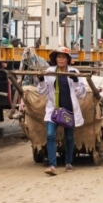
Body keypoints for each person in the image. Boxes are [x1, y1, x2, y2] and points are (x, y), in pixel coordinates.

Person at [36, 47, 86, 176]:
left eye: (63, 57)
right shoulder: (49, 72)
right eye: (59, 57)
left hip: (69, 111)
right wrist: (41, 80)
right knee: (50, 135)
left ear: (68, 59)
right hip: (53, 110)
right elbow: (43, 91)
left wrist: (75, 81)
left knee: (69, 137)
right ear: (55, 59)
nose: (61, 59)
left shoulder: (74, 71)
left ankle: (68, 162)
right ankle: (52, 165)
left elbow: (81, 93)